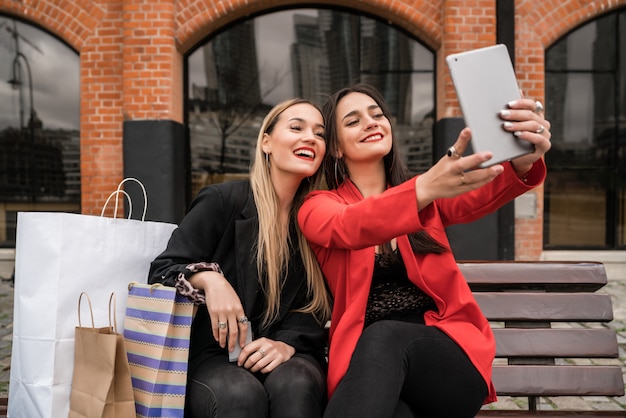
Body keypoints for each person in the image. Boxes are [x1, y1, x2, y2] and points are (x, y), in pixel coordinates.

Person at [297, 83, 551, 418]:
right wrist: (422, 188)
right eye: (353, 121)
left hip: (450, 360)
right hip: (373, 372)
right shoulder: (318, 207)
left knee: (384, 336)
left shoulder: (427, 197)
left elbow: (485, 187)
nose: (372, 122)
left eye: (377, 115)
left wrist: (523, 160)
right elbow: (349, 224)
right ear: (336, 149)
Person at [149, 98, 333, 418]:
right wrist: (209, 278)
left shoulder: (317, 218)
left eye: (319, 134)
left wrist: (287, 344)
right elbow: (161, 269)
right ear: (266, 142)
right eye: (296, 127)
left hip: (291, 351)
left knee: (296, 385)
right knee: (240, 394)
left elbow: (319, 302)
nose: (310, 138)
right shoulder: (223, 200)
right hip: (215, 356)